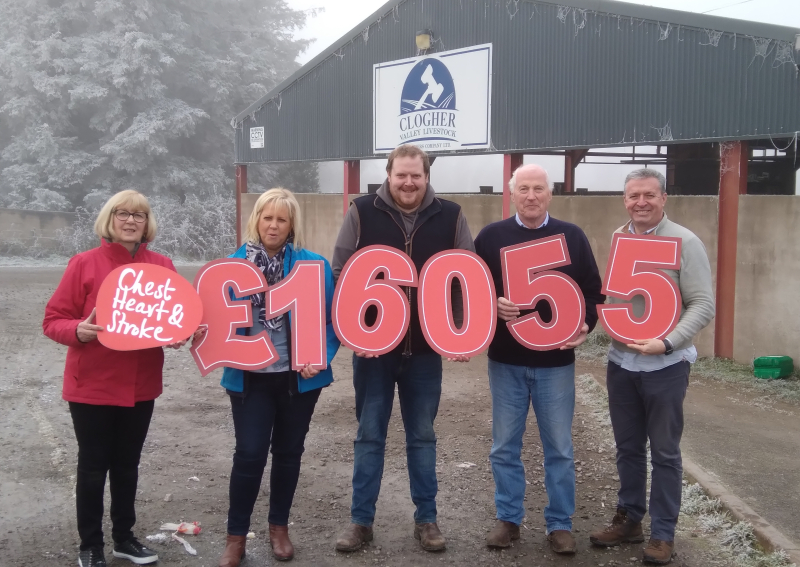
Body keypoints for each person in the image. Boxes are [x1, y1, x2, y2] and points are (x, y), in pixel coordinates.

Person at [332, 144, 474, 553]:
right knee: (369, 435)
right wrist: (356, 332)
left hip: (426, 352)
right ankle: (361, 522)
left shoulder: (452, 215)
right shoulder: (361, 211)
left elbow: (467, 275)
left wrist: (460, 330)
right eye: (401, 175)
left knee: (423, 437)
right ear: (388, 175)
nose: (409, 182)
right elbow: (342, 273)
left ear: (427, 176)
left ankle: (426, 520)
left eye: (416, 175)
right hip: (374, 352)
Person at [43, 190, 196, 567]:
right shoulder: (83, 263)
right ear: (109, 219)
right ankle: (90, 545)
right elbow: (52, 320)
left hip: (139, 386)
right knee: (93, 467)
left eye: (139, 215)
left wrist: (177, 336)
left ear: (147, 223)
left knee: (128, 465)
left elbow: (173, 321)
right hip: (91, 386)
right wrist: (78, 330)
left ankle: (124, 538)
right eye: (123, 214)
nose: (130, 221)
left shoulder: (162, 265)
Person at [474, 165, 605, 556]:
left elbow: (592, 291)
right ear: (511, 194)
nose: (531, 196)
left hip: (556, 365)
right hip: (506, 361)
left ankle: (560, 524)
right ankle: (508, 519)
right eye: (524, 189)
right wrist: (491, 305)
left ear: (551, 194)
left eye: (539, 189)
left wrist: (586, 322)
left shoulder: (572, 236)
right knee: (504, 447)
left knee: (560, 448)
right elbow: (471, 288)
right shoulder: (491, 237)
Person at [589, 169, 714, 565]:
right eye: (632, 196)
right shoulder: (619, 238)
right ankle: (629, 519)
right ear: (624, 200)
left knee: (664, 452)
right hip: (621, 362)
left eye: (648, 195)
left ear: (664, 198)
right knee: (627, 448)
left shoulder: (685, 241)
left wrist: (668, 341)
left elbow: (703, 304)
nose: (640, 202)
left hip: (665, 364)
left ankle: (663, 534)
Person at [217, 188, 340, 566]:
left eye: (281, 219)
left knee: (288, 454)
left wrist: (320, 357)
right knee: (249, 454)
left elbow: (333, 322)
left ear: (291, 226)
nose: (273, 225)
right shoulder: (229, 268)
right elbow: (211, 321)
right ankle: (236, 537)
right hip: (250, 378)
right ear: (256, 219)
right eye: (267, 217)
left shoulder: (314, 266)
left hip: (297, 378)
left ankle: (279, 528)